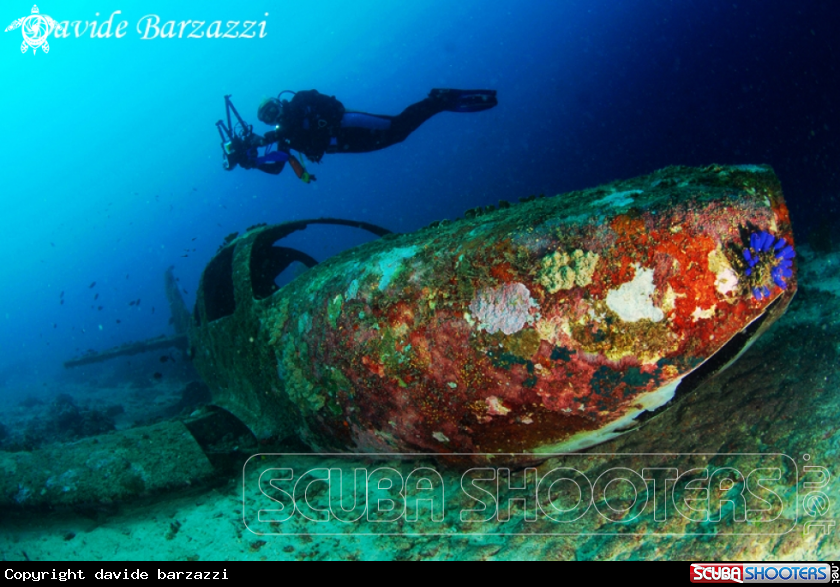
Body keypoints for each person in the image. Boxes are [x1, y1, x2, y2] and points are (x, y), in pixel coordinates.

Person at [233, 88, 497, 183]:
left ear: (278, 104)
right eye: (267, 118)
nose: (273, 117)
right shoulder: (283, 137)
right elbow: (278, 167)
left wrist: (267, 138)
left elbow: (329, 108)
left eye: (272, 110)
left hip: (350, 124)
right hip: (346, 145)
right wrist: (252, 162)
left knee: (397, 126)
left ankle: (438, 100)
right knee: (399, 135)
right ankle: (438, 102)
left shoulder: (299, 102)